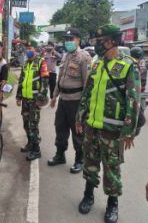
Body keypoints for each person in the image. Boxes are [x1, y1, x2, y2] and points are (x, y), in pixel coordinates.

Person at [75, 24, 141, 223]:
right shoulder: (97, 64)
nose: (97, 46)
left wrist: (128, 131)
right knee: (90, 163)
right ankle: (88, 195)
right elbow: (88, 93)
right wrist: (80, 117)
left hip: (113, 130)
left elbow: (133, 100)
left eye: (100, 42)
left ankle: (113, 204)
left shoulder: (128, 65)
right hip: (91, 126)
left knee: (111, 168)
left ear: (112, 41)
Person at [48, 27, 92, 174]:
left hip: (76, 101)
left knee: (78, 132)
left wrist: (84, 107)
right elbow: (60, 78)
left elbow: (87, 83)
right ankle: (60, 155)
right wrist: (54, 96)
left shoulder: (84, 57)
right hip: (63, 100)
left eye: (70, 39)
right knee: (60, 128)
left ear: (78, 40)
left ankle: (80, 160)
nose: (68, 42)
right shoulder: (66, 56)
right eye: (66, 39)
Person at [16, 47, 49, 161]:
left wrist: (41, 98)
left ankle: (36, 150)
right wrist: (18, 96)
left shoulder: (41, 62)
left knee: (33, 125)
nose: (28, 52)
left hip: (35, 100)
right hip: (25, 99)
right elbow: (21, 80)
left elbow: (45, 81)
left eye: (31, 50)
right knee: (26, 124)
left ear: (36, 51)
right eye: (27, 50)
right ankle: (30, 143)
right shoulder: (25, 64)